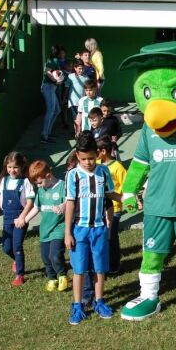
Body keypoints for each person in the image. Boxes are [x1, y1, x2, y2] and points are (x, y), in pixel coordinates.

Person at [64, 131, 119, 325]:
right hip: (80, 229)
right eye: (84, 159)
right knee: (79, 270)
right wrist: (67, 232)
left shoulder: (104, 172)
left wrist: (129, 200)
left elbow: (110, 197)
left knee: (100, 268)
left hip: (99, 229)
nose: (88, 162)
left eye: (91, 158)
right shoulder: (73, 176)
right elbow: (70, 204)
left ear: (98, 153)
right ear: (78, 156)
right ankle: (77, 305)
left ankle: (99, 301)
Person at [0, 152, 34, 286]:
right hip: (7, 218)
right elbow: (0, 198)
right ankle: (16, 260)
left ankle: (20, 274)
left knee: (17, 246)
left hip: (20, 219)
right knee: (6, 248)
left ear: (22, 166)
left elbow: (30, 202)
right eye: (9, 167)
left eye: (15, 167)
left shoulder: (26, 182)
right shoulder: (4, 181)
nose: (12, 170)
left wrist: (23, 217)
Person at [24, 160, 69, 292]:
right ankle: (52, 278)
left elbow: (70, 202)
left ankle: (62, 276)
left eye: (39, 182)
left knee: (55, 254)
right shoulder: (42, 190)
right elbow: (36, 207)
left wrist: (62, 206)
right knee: (45, 257)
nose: (38, 186)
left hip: (59, 228)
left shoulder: (62, 187)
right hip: (45, 230)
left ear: (48, 176)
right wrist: (25, 219)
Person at [97, 139, 126, 275]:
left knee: (111, 237)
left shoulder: (118, 167)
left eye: (96, 151)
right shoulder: (96, 164)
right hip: (99, 208)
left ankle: (114, 265)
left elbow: (125, 186)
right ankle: (103, 264)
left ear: (103, 151)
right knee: (102, 237)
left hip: (114, 208)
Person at [40, 44, 61, 144]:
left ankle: (48, 132)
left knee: (57, 109)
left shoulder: (54, 60)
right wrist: (56, 80)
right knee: (51, 110)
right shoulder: (53, 60)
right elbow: (47, 71)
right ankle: (44, 136)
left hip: (51, 87)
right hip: (48, 86)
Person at [65, 60, 88, 136]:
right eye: (79, 68)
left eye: (82, 68)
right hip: (73, 102)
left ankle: (78, 133)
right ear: (75, 68)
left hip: (82, 102)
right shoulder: (70, 76)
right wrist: (64, 98)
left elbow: (87, 89)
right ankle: (77, 133)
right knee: (76, 119)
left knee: (81, 118)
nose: (81, 70)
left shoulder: (86, 78)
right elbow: (67, 88)